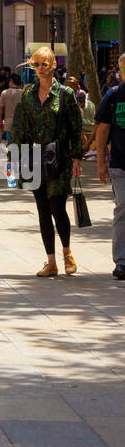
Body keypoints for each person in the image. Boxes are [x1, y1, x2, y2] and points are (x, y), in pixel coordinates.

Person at [10, 47, 84, 277]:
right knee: (42, 210)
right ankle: (50, 261)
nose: (39, 69)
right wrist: (13, 158)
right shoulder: (27, 95)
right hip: (34, 159)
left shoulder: (65, 94)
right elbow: (18, 127)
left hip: (58, 158)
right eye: (35, 65)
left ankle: (67, 252)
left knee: (57, 208)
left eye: (44, 64)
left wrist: (77, 158)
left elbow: (76, 128)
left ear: (53, 65)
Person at [93, 53, 125, 279]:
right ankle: (121, 261)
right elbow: (103, 130)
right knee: (123, 207)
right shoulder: (114, 95)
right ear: (121, 71)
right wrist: (101, 161)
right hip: (120, 163)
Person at [0, 72, 23, 144]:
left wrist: (0, 121)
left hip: (9, 124)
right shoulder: (23, 93)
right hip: (21, 123)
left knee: (11, 144)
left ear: (11, 81)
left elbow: (0, 109)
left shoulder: (4, 93)